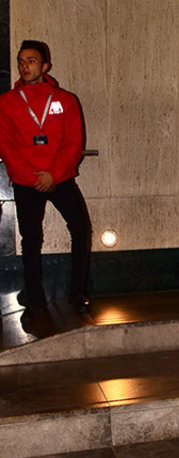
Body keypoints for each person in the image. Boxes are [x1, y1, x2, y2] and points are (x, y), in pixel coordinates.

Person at [0, 40, 91, 323]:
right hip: (27, 181)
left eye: (31, 61)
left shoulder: (65, 100)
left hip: (59, 177)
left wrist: (54, 174)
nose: (24, 66)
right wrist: (32, 177)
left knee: (81, 228)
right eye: (21, 61)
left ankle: (77, 292)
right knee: (31, 240)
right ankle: (35, 301)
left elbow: (74, 142)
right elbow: (6, 145)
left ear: (45, 66)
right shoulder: (7, 102)